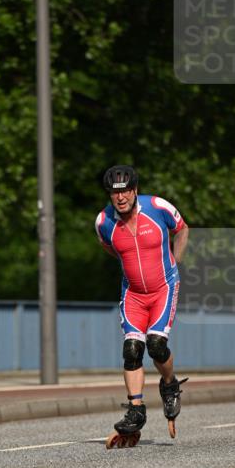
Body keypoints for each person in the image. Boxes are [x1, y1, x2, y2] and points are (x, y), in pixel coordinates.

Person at [95, 164, 190, 437]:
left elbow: (182, 230)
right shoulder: (104, 222)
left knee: (156, 345)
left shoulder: (158, 207)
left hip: (164, 288)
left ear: (135, 190)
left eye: (125, 191)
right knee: (132, 350)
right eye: (115, 193)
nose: (120, 197)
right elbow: (111, 248)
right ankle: (136, 409)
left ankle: (169, 384)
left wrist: (175, 262)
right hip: (133, 294)